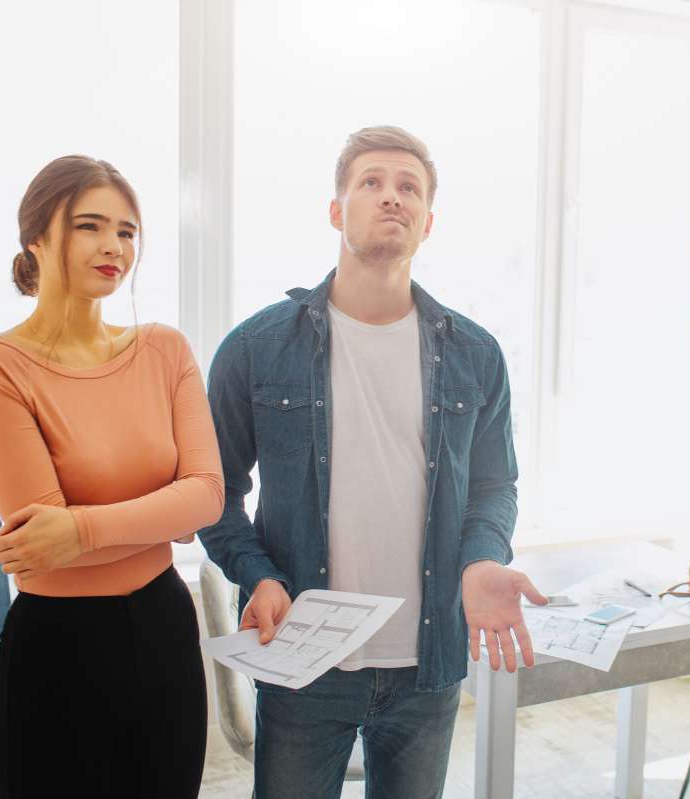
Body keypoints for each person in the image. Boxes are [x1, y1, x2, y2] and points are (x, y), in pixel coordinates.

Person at [200, 125, 546, 798]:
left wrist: (481, 559)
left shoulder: (477, 354)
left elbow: (494, 485)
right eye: (372, 183)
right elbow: (215, 491)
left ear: (428, 222)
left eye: (408, 187)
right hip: (303, 657)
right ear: (337, 210)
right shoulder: (256, 347)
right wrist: (259, 574)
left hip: (429, 662)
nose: (392, 197)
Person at [0, 155, 223, 798]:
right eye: (90, 226)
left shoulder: (165, 349)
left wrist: (80, 529)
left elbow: (209, 496)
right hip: (60, 647)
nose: (114, 246)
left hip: (163, 627)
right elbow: (41, 548)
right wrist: (164, 516)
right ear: (38, 237)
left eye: (128, 231)